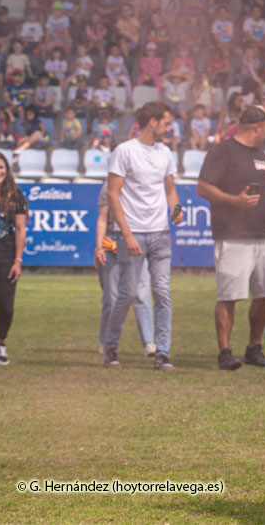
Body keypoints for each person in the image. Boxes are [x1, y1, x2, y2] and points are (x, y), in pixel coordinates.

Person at [197, 105, 265, 370]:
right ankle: (225, 352)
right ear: (257, 126)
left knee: (264, 295)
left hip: (262, 234)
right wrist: (234, 201)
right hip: (232, 234)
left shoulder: (262, 154)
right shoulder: (222, 151)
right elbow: (202, 187)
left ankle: (253, 347)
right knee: (229, 295)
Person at [103, 102, 183, 370]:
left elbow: (170, 190)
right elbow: (113, 194)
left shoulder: (166, 153)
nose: (169, 128)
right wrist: (127, 235)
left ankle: (163, 352)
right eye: (166, 123)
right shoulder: (124, 151)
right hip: (133, 233)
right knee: (127, 293)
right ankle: (111, 346)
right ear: (152, 122)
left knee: (162, 292)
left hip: (161, 232)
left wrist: (177, 210)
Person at [94, 177, 155, 359]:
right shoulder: (108, 187)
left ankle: (149, 343)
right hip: (111, 243)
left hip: (137, 243)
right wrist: (98, 247)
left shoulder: (145, 186)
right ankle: (107, 342)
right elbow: (103, 218)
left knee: (142, 293)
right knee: (111, 297)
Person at [0, 150, 25, 368]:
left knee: (7, 307)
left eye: (1, 167)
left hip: (7, 255)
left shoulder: (16, 195)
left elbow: (21, 230)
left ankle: (0, 343)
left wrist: (18, 261)